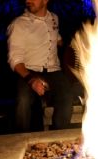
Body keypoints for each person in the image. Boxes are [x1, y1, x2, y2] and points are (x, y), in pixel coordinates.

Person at [7, 0, 73, 131]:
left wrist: (73, 43)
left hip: (54, 71)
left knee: (67, 95)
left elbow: (56, 37)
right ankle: (21, 139)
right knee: (23, 100)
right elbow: (15, 60)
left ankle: (58, 138)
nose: (27, 1)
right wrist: (31, 80)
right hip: (29, 71)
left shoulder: (54, 18)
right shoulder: (19, 24)